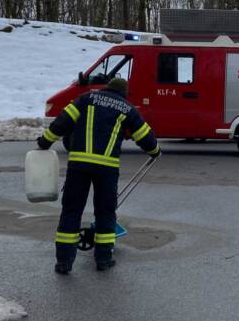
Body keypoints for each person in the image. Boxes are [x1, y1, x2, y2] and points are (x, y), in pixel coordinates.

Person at [36, 78, 160, 274]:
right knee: (105, 213)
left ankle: (63, 262)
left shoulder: (86, 98)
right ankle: (103, 259)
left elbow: (62, 122)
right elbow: (144, 135)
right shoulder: (127, 108)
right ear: (124, 93)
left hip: (79, 166)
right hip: (107, 170)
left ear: (108, 87)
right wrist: (154, 150)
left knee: (71, 211)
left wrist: (44, 143)